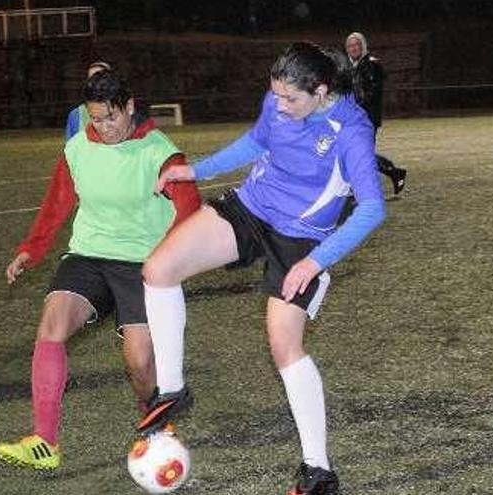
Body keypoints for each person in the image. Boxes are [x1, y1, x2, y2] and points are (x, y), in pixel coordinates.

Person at [136, 42, 387, 494]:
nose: (280, 104)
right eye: (276, 95)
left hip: (304, 238)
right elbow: (256, 141)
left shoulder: (350, 129)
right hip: (252, 208)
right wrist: (196, 171)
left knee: (283, 343)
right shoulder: (277, 101)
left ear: (321, 91)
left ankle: (318, 470)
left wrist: (315, 261)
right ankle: (172, 390)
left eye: (291, 99)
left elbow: (372, 208)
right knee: (158, 269)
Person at [0, 69, 201, 470]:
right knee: (52, 324)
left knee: (140, 362)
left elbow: (190, 214)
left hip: (143, 264)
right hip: (89, 255)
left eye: (111, 117)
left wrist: (175, 263)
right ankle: (44, 441)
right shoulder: (76, 149)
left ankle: (155, 427)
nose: (104, 127)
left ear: (129, 107)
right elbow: (57, 203)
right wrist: (30, 250)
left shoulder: (160, 153)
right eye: (95, 119)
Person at [345, 32, 407, 195]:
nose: (353, 48)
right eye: (350, 46)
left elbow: (371, 94)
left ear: (363, 46)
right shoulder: (350, 67)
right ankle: (394, 173)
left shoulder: (371, 65)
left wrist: (354, 106)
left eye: (356, 44)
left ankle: (361, 189)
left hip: (366, 118)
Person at [63, 60, 111, 140]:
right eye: (91, 78)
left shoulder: (124, 112)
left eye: (101, 78)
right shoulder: (76, 115)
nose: (96, 82)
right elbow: (70, 148)